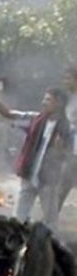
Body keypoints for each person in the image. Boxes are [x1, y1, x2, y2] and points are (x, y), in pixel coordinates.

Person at [0, 79, 73, 230]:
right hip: (29, 176)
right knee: (17, 220)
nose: (43, 102)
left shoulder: (67, 130)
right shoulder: (35, 119)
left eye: (48, 99)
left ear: (59, 103)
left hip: (48, 183)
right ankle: (16, 248)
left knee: (50, 223)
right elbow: (7, 113)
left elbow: (69, 157)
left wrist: (61, 151)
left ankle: (50, 251)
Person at [60, 66, 77, 209]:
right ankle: (50, 218)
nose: (65, 82)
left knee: (64, 182)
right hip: (71, 148)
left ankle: (49, 219)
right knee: (63, 183)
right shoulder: (71, 99)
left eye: (68, 78)